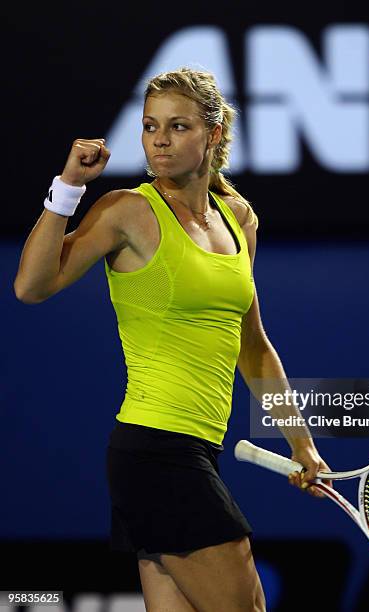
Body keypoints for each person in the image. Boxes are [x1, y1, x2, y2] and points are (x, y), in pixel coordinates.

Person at [13, 67, 332, 612]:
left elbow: (252, 345)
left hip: (193, 451)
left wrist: (302, 444)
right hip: (156, 450)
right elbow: (32, 286)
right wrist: (67, 190)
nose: (159, 139)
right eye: (149, 126)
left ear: (212, 134)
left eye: (178, 126)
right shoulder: (127, 212)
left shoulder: (238, 220)